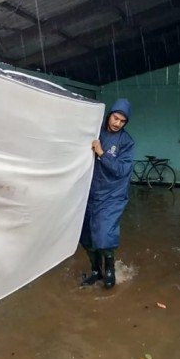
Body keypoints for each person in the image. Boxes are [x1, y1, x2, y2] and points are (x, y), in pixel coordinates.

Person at [80, 98, 134, 289]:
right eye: (115, 118)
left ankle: (110, 270)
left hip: (112, 195)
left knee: (104, 234)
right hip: (90, 192)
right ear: (110, 115)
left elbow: (121, 169)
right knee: (86, 235)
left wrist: (102, 153)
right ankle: (96, 271)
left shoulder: (126, 142)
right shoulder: (96, 132)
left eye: (122, 121)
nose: (117, 123)